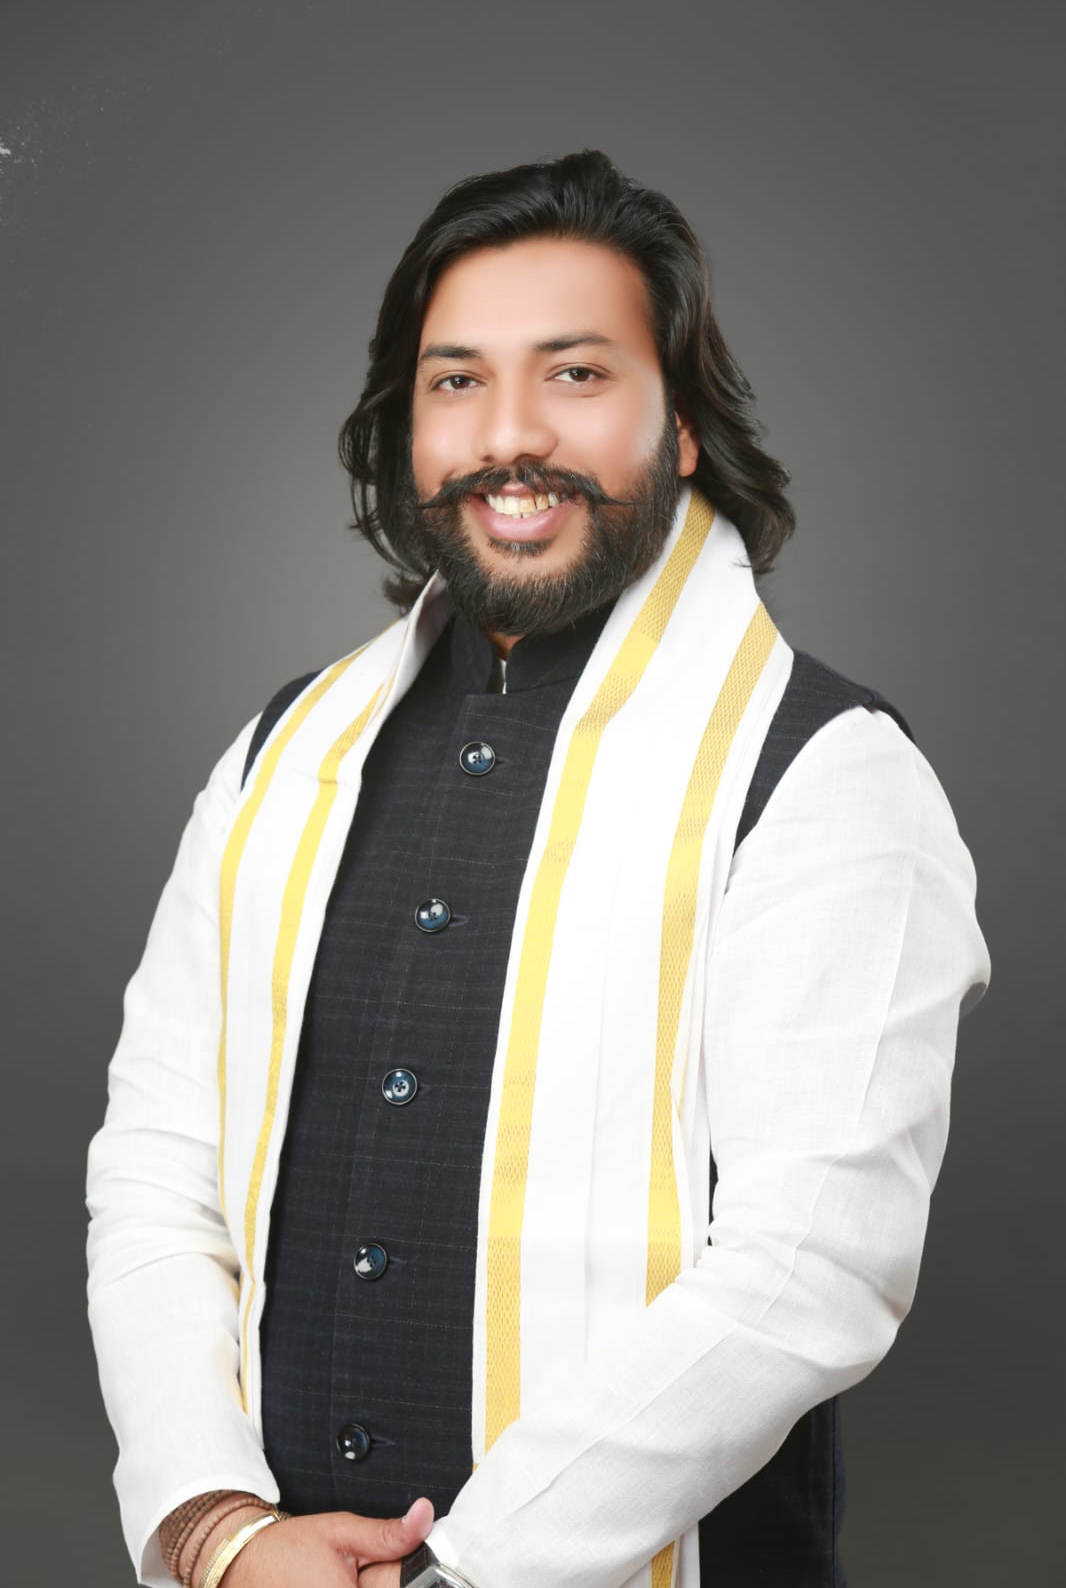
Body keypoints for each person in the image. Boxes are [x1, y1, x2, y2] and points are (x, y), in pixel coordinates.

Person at [86, 149, 989, 1588]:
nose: (508, 436)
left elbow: (812, 1270)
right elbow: (157, 1170)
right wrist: (217, 1529)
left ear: (679, 426)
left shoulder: (821, 770)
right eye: (456, 380)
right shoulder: (279, 756)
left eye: (574, 373)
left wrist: (462, 1576)